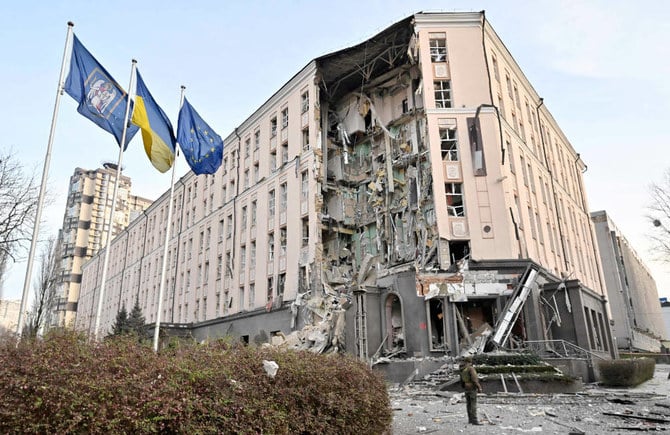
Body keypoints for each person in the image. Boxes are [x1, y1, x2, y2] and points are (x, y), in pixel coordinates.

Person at [460, 356, 483, 425]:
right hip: (472, 388)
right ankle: (474, 420)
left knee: (468, 404)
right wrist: (479, 387)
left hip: (466, 388)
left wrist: (463, 386)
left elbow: (461, 380)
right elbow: (474, 379)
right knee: (473, 404)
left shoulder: (463, 369)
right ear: (470, 362)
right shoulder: (471, 369)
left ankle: (470, 419)